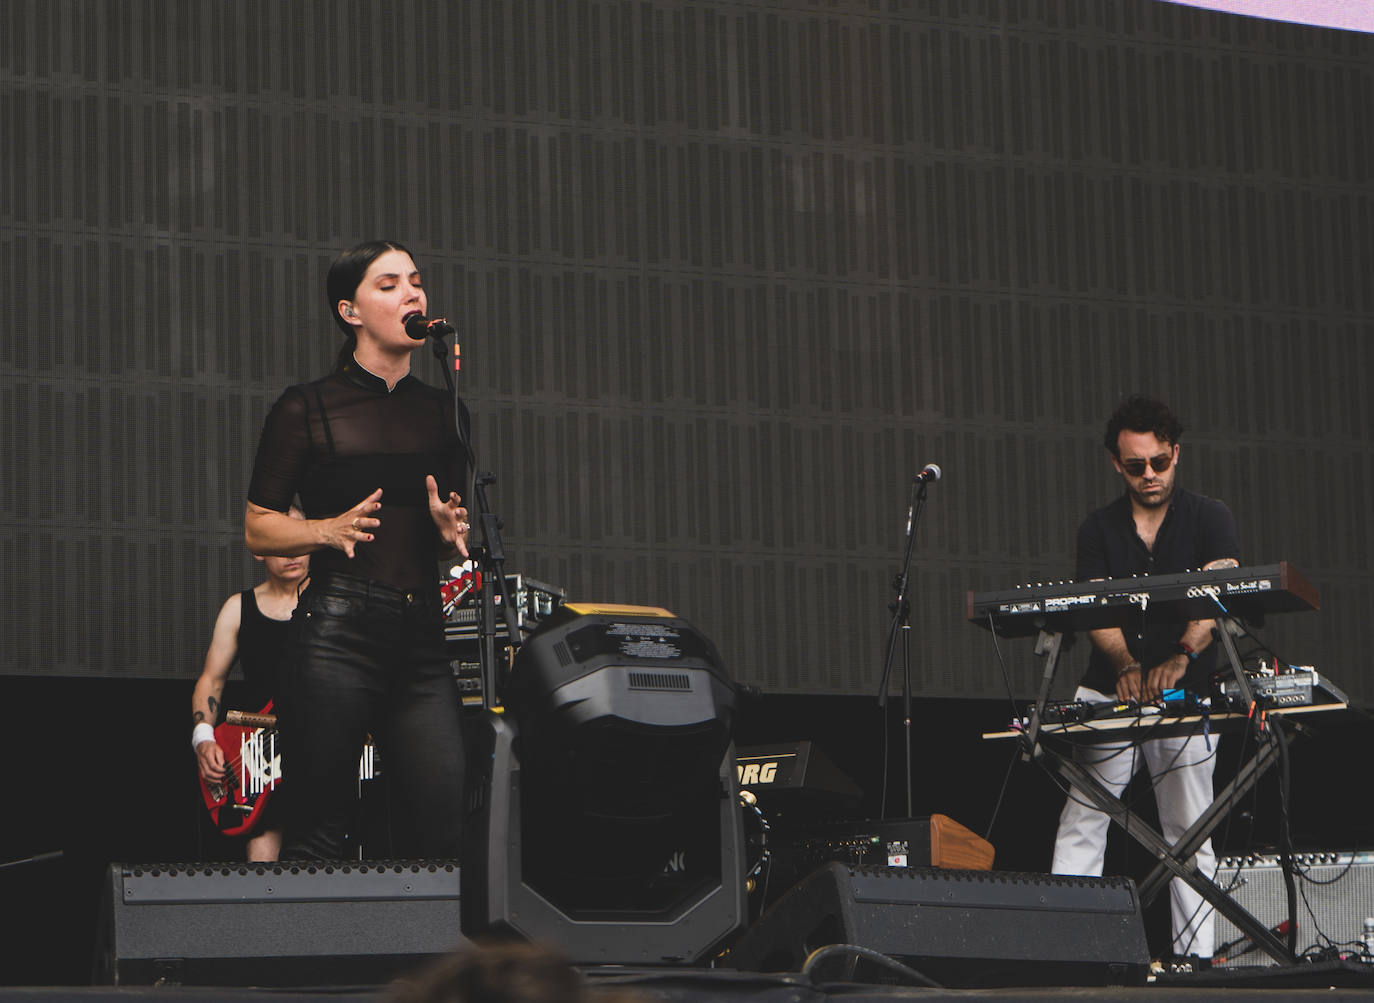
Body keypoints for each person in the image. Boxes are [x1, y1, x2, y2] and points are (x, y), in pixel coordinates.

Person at [244, 239, 472, 860]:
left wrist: (449, 531)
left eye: (417, 281)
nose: (413, 293)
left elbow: (446, 528)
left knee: (446, 829)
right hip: (337, 633)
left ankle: (431, 960)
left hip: (420, 637)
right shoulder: (308, 406)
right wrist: (325, 531)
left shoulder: (444, 411)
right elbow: (259, 528)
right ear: (351, 311)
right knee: (320, 832)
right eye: (390, 283)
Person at [1051, 395, 1239, 961]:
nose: (1150, 475)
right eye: (1137, 466)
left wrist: (1182, 655)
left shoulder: (1210, 516)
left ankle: (1195, 961)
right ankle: (1068, 957)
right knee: (1083, 822)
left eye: (1159, 462)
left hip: (1188, 691)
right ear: (1117, 464)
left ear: (1175, 454)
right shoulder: (1098, 528)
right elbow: (1095, 612)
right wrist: (1128, 667)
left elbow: (1218, 594)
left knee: (1188, 830)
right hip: (1111, 688)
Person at [190, 539, 309, 862]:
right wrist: (203, 738)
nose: (292, 553)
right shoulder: (238, 608)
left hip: (321, 741)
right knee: (262, 850)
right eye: (281, 544)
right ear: (259, 549)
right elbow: (212, 679)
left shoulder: (335, 602)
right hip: (260, 757)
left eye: (300, 542)